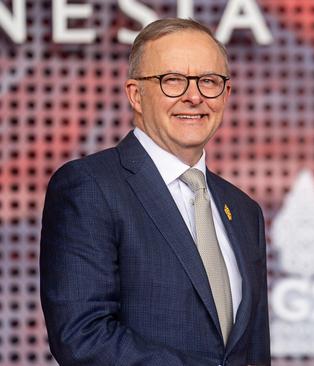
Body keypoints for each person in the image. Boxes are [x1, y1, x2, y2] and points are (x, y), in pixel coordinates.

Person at [40, 18, 270, 365]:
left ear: (226, 94)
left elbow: (252, 349)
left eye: (208, 81)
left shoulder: (243, 209)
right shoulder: (89, 186)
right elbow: (82, 336)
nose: (194, 97)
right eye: (173, 81)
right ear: (135, 94)